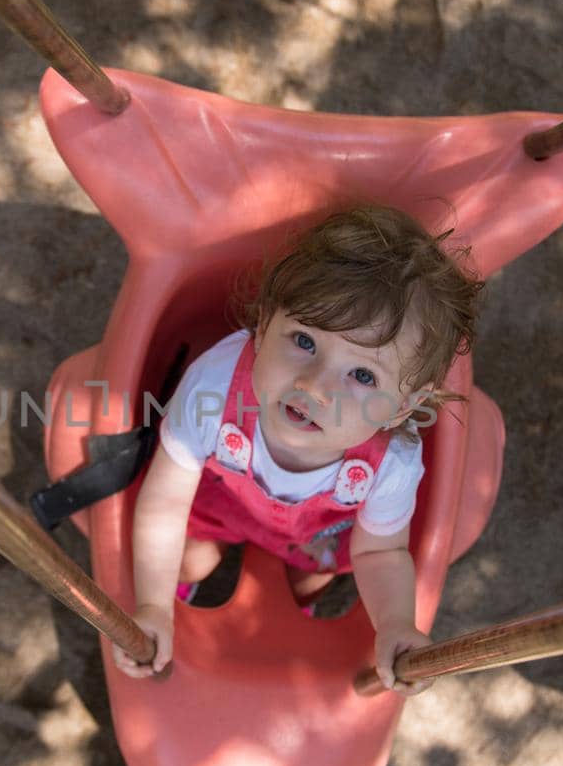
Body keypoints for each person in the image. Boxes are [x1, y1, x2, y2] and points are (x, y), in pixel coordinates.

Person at [111, 204, 484, 694]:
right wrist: (153, 606)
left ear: (400, 408)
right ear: (263, 327)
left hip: (316, 532)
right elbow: (164, 500)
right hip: (220, 499)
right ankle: (188, 581)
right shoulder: (215, 386)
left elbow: (380, 552)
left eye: (363, 375)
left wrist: (394, 622)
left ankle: (299, 585)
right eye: (304, 340)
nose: (315, 386)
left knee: (315, 572)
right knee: (187, 556)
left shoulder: (389, 462)